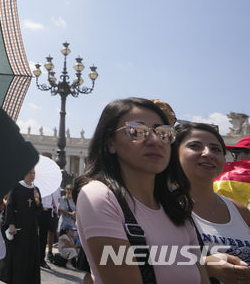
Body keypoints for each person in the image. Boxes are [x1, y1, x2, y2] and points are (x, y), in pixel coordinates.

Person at [74, 97, 209, 284]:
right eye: (136, 131)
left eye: (164, 132)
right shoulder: (100, 196)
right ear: (110, 142)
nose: (155, 140)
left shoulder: (177, 208)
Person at [175, 120, 250, 283]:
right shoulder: (159, 207)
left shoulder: (240, 211)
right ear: (174, 154)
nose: (208, 153)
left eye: (216, 149)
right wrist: (204, 266)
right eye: (195, 146)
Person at [0, 168, 42, 284]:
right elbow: (10, 206)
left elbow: (38, 211)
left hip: (31, 229)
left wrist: (37, 201)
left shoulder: (36, 190)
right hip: (19, 228)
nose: (32, 175)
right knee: (19, 257)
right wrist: (11, 224)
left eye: (34, 173)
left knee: (30, 256)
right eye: (30, 173)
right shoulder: (16, 187)